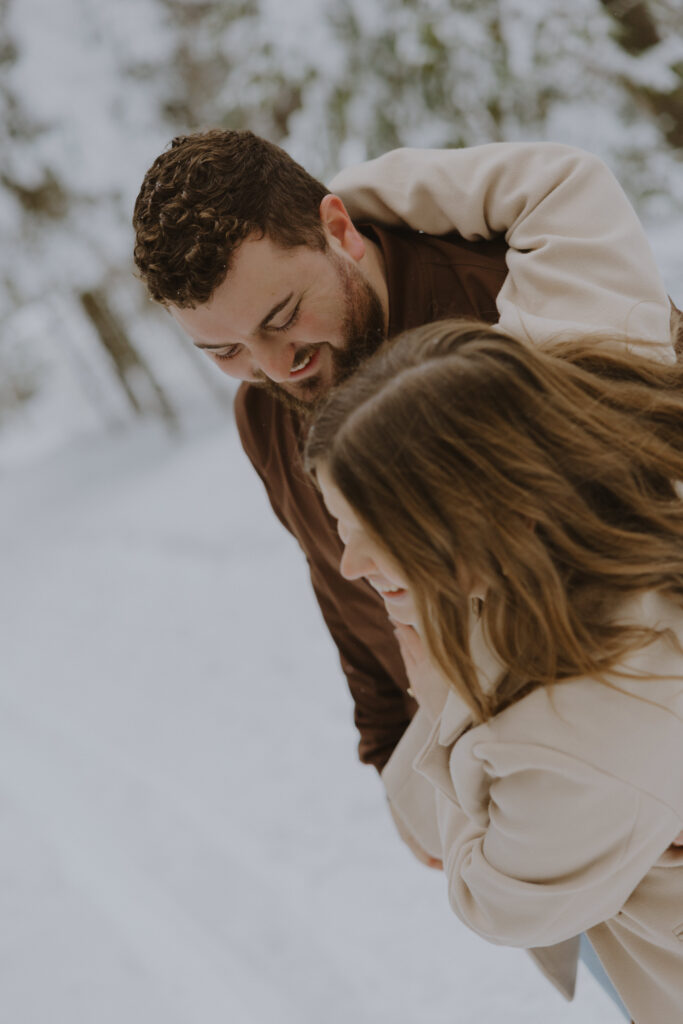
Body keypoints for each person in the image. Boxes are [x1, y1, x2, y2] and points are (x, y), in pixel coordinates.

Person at [132, 130, 677, 869]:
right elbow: (337, 579)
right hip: (500, 799)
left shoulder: (499, 295)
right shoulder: (263, 416)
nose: (273, 368)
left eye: (282, 316)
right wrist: (390, 750)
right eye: (223, 352)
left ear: (337, 230)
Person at [304, 318, 683, 1023]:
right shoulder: (616, 483)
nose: (349, 564)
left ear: (464, 516)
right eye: (339, 528)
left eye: (367, 532)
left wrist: (436, 699)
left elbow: (495, 901)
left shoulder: (585, 735)